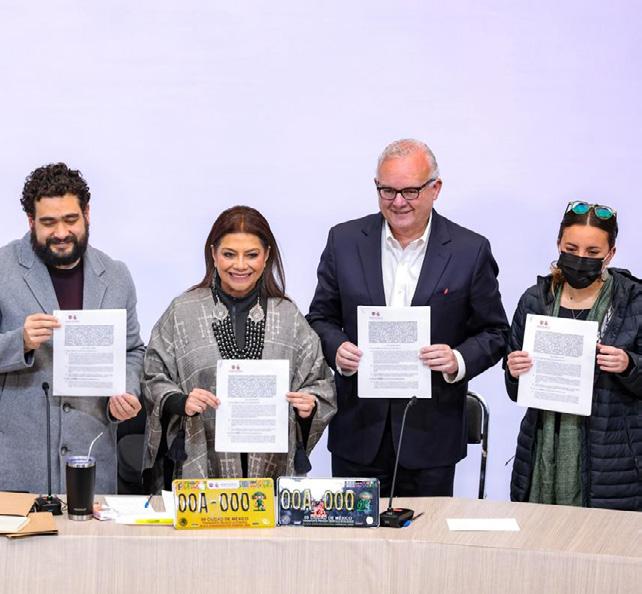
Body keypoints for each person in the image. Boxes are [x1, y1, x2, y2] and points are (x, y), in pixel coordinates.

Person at [307, 139, 509, 497]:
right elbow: (320, 318)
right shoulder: (344, 240)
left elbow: (495, 332)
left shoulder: (469, 250)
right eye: (387, 190)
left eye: (410, 191)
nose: (398, 202)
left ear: (435, 188)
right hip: (358, 432)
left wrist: (458, 359)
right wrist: (337, 349)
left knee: (427, 532)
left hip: (431, 435)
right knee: (354, 533)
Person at [142, 206, 336, 491]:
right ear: (213, 254)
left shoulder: (288, 316)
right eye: (229, 254)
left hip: (270, 463)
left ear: (267, 255)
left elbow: (320, 382)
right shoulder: (183, 311)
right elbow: (152, 375)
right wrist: (180, 401)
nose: (240, 265)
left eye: (252, 255)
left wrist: (309, 405)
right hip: (201, 457)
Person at [0, 163, 145, 494]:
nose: (61, 232)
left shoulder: (117, 275)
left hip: (92, 460)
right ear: (31, 221)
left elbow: (133, 350)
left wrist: (126, 389)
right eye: (48, 222)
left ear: (87, 214)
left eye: (70, 219)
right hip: (17, 466)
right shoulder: (2, 268)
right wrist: (19, 342)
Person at [505, 201, 642, 511]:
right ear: (558, 244)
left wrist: (628, 364)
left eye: (593, 252)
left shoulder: (634, 301)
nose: (580, 258)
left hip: (612, 461)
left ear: (611, 254)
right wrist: (514, 371)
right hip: (540, 451)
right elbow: (514, 390)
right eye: (571, 248)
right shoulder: (535, 299)